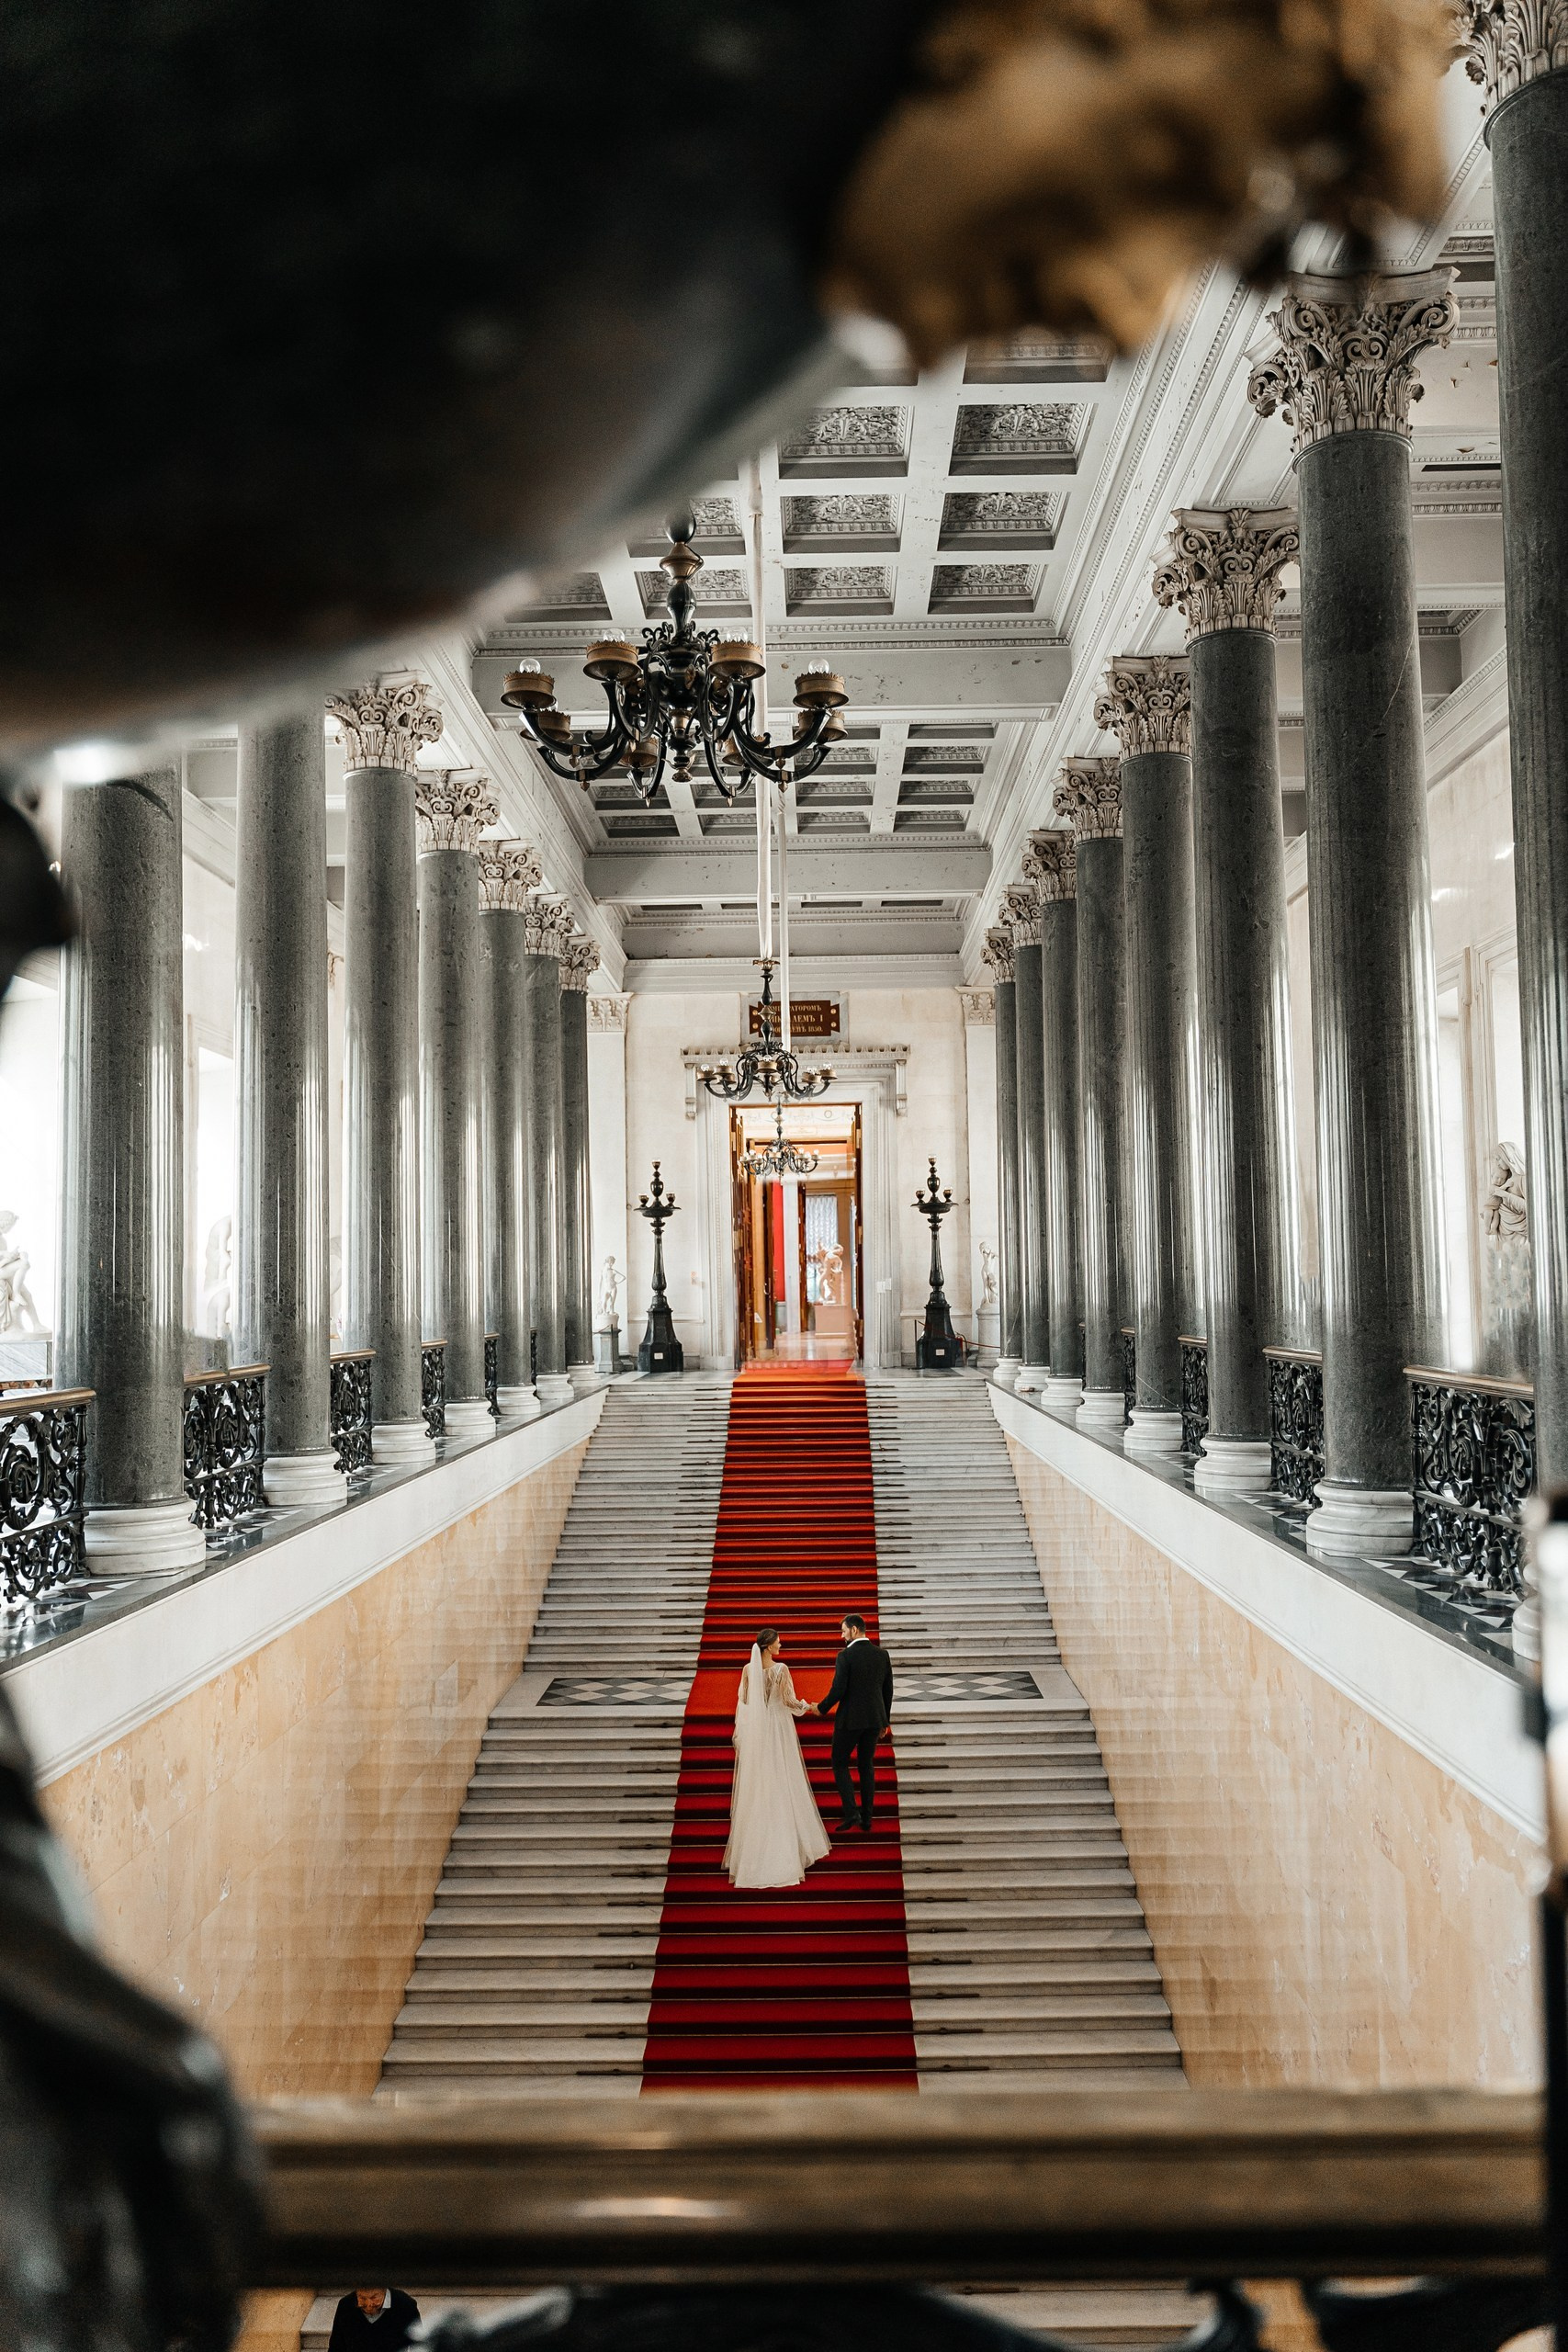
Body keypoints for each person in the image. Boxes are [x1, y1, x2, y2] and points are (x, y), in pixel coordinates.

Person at [724, 1628, 830, 1890]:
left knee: (760, 1785)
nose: (781, 1645)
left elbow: (744, 1701)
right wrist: (809, 1707)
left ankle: (753, 1855)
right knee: (782, 1780)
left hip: (757, 1733)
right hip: (777, 1730)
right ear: (769, 1646)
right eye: (778, 1642)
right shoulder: (781, 1669)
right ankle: (783, 1854)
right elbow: (788, 1700)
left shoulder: (747, 1669)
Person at [810, 1612, 894, 1835]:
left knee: (839, 1762)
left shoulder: (845, 1656)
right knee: (866, 1765)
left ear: (854, 1630)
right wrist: (884, 1720)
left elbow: (839, 1689)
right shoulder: (882, 1654)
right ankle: (867, 1818)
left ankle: (851, 1812)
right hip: (874, 1719)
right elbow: (888, 1690)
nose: (842, 1636)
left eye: (844, 1631)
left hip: (850, 1720)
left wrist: (821, 1708)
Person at [328, 2289, 422, 2352]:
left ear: (384, 2290)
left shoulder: (405, 2305)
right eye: (362, 2298)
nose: (369, 2304)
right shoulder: (345, 2305)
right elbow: (336, 2346)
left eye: (374, 2297)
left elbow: (419, 2344)